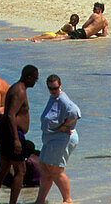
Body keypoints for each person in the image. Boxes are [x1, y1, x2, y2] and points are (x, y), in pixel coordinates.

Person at [0, 64, 39, 204]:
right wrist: (16, 139)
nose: (36, 81)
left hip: (7, 133)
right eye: (35, 78)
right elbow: (10, 115)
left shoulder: (17, 88)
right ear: (28, 77)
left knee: (3, 169)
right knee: (20, 171)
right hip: (12, 134)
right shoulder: (19, 91)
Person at [36, 74, 81, 204]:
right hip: (51, 138)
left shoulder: (63, 99)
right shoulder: (53, 97)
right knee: (44, 168)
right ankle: (40, 200)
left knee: (56, 169)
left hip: (62, 138)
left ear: (60, 86)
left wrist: (64, 126)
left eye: (55, 88)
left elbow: (76, 113)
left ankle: (67, 200)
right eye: (51, 88)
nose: (53, 91)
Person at [6, 14, 80, 42]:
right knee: (30, 39)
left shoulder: (68, 25)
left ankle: (13, 39)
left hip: (51, 34)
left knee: (30, 39)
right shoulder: (70, 26)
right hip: (53, 36)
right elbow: (71, 35)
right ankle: (13, 39)